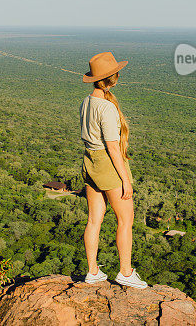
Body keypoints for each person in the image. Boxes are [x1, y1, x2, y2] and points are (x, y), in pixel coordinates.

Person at [80, 52, 148, 288]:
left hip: (89, 164)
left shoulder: (86, 102)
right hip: (108, 167)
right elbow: (112, 147)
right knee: (125, 219)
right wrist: (125, 179)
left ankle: (92, 271)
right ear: (111, 78)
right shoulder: (106, 108)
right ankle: (126, 273)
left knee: (93, 221)